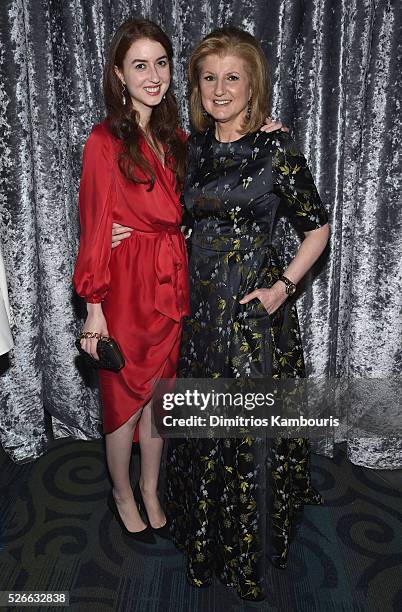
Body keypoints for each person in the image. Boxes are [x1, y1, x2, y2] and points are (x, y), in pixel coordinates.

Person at [162, 27, 329, 601]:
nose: (220, 88)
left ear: (253, 83)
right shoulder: (194, 148)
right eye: (209, 77)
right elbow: (172, 217)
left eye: (232, 77)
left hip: (254, 314)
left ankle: (248, 550)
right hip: (200, 312)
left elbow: (318, 227)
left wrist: (283, 288)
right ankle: (201, 538)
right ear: (196, 86)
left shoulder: (277, 147)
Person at [73, 18, 189, 542]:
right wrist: (94, 309)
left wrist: (267, 128)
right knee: (124, 400)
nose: (153, 75)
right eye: (139, 65)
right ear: (119, 74)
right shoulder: (103, 140)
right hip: (123, 288)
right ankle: (121, 493)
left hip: (168, 280)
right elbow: (95, 226)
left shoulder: (177, 137)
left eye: (161, 63)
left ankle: (150, 489)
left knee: (159, 398)